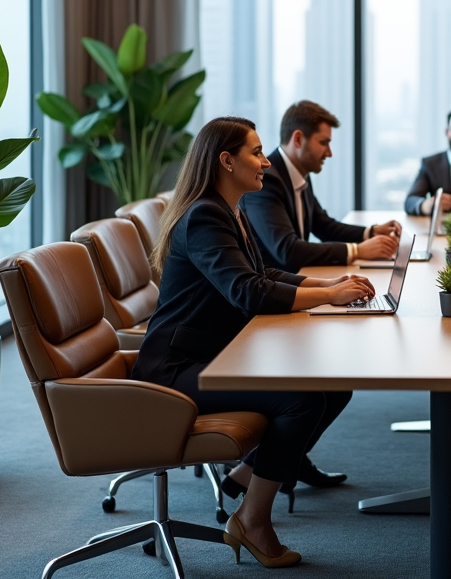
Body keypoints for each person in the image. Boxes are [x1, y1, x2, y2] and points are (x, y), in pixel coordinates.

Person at [132, 116, 376, 568]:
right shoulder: (205, 215)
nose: (266, 162)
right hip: (178, 368)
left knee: (332, 384)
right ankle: (252, 519)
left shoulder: (230, 209)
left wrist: (330, 283)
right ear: (226, 161)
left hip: (216, 353)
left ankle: (248, 474)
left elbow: (265, 274)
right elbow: (247, 291)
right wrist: (327, 295)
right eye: (256, 153)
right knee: (301, 399)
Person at [242, 101, 401, 272]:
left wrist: (372, 232)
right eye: (323, 142)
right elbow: (288, 250)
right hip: (274, 290)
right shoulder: (266, 181)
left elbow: (323, 225)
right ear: (298, 139)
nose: (329, 152)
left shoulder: (299, 173)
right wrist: (357, 250)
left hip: (296, 281)